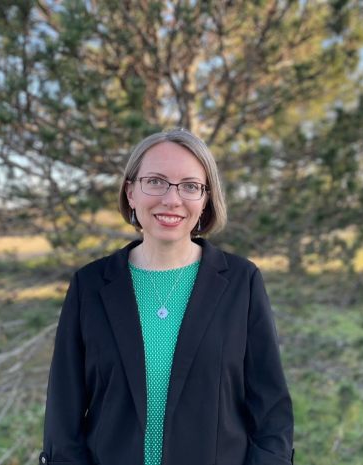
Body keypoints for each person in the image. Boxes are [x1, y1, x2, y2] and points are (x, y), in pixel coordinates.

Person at [39, 128, 294, 465]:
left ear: (205, 199)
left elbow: (271, 411)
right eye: (155, 181)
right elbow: (64, 415)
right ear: (130, 192)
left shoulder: (241, 283)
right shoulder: (90, 286)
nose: (172, 199)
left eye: (190, 186)